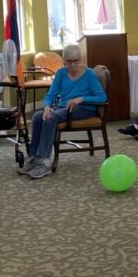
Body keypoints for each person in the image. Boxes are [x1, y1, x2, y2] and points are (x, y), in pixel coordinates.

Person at [22, 43, 107, 179]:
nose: (73, 64)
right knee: (38, 117)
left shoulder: (90, 74)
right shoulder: (61, 72)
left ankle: (44, 162)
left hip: (85, 108)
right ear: (64, 61)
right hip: (63, 108)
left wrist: (81, 99)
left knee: (50, 118)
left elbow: (102, 97)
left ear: (80, 60)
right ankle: (33, 158)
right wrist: (47, 106)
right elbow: (51, 94)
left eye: (76, 61)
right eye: (69, 61)